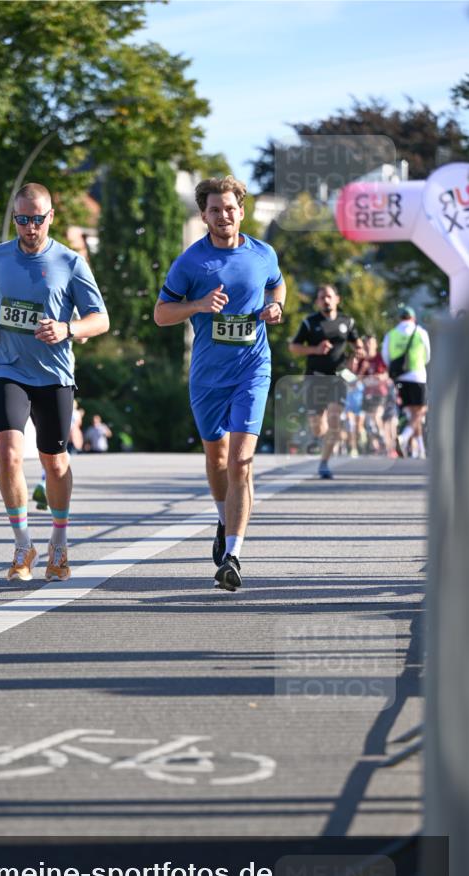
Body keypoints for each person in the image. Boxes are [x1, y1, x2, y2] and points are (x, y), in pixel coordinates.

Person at [154, 175, 285, 592]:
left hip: (253, 368)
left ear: (241, 210)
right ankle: (223, 517)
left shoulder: (262, 253)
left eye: (230, 208)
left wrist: (276, 305)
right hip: (208, 375)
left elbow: (276, 283)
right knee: (218, 461)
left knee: (243, 462)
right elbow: (161, 313)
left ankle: (233, 555)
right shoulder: (191, 262)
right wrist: (196, 305)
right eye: (215, 210)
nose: (223, 215)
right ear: (204, 215)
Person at [0, 181, 109, 583]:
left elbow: (100, 319)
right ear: (15, 218)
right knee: (9, 455)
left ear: (51, 217)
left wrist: (67, 328)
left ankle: (59, 543)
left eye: (37, 219)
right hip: (8, 369)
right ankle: (22, 545)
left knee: (54, 462)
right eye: (22, 219)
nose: (30, 227)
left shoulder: (70, 262)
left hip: (53, 375)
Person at [289, 284, 363, 480]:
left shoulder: (347, 322)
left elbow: (358, 345)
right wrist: (315, 349)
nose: (326, 300)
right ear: (317, 302)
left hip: (338, 378)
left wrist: (359, 352)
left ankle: (324, 463)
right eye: (322, 297)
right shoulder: (310, 322)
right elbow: (294, 347)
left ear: (337, 299)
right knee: (317, 426)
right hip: (315, 377)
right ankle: (320, 439)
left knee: (334, 420)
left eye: (329, 296)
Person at [381, 305, 430, 459]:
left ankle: (420, 449)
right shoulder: (420, 332)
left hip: (400, 377)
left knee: (413, 414)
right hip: (417, 375)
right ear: (413, 318)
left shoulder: (392, 334)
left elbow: (385, 356)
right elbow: (428, 355)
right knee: (421, 411)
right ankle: (404, 437)